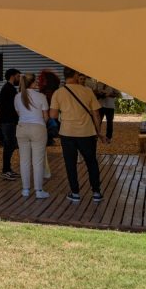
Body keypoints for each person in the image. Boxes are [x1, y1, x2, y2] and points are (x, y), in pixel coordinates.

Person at [49, 68, 104, 203]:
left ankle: (75, 193)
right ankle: (96, 192)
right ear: (75, 75)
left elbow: (53, 115)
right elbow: (96, 114)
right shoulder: (87, 91)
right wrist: (98, 131)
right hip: (87, 132)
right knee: (91, 162)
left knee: (70, 164)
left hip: (67, 132)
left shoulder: (58, 93)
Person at [15, 72, 50, 199]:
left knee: (24, 161)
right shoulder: (41, 96)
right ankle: (39, 190)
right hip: (38, 128)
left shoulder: (17, 97)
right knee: (38, 161)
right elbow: (46, 117)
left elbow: (19, 114)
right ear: (33, 83)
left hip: (21, 128)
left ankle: (25, 189)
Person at [0, 68, 21, 181]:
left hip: (8, 121)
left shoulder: (9, 88)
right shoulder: (9, 89)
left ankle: (7, 169)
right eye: (18, 76)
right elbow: (14, 107)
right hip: (7, 122)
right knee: (9, 145)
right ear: (12, 76)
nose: (19, 79)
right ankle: (5, 170)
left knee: (10, 145)